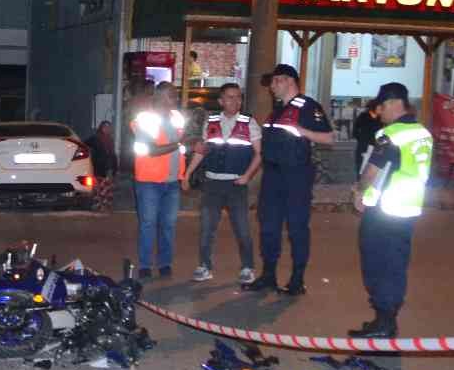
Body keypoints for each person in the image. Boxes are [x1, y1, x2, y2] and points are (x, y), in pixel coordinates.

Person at [350, 82, 433, 338]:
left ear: (392, 104)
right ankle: (386, 319)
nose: (380, 113)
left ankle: (384, 322)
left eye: (381, 107)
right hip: (407, 208)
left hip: (384, 210)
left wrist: (358, 191)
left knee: (377, 264)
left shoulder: (391, 134)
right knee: (396, 264)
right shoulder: (422, 133)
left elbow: (373, 170)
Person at [243, 64, 333, 295]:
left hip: (296, 175)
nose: (271, 87)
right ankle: (269, 275)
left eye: (275, 82)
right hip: (272, 175)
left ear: (289, 81)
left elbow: (329, 138)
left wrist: (303, 131)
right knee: (269, 226)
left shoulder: (307, 106)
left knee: (297, 228)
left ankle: (297, 280)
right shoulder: (277, 110)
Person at [183, 83, 261, 284]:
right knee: (207, 227)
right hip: (212, 185)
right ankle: (205, 266)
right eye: (229, 97)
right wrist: (187, 173)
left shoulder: (249, 122)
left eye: (238, 97)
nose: (234, 101)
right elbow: (202, 150)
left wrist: (247, 176)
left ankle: (247, 267)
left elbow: (260, 153)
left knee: (242, 228)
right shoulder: (211, 121)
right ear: (221, 101)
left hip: (236, 185)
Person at [130, 81, 185, 278]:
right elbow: (152, 150)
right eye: (172, 95)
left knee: (168, 225)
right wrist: (180, 143)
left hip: (172, 182)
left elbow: (182, 147)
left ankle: (164, 264)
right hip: (148, 182)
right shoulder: (145, 119)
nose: (176, 98)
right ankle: (145, 265)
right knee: (148, 224)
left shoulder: (177, 118)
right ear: (160, 97)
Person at [352, 99, 381, 178]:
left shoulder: (380, 118)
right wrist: (362, 139)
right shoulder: (364, 116)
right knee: (361, 168)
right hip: (364, 146)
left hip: (376, 146)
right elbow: (355, 131)